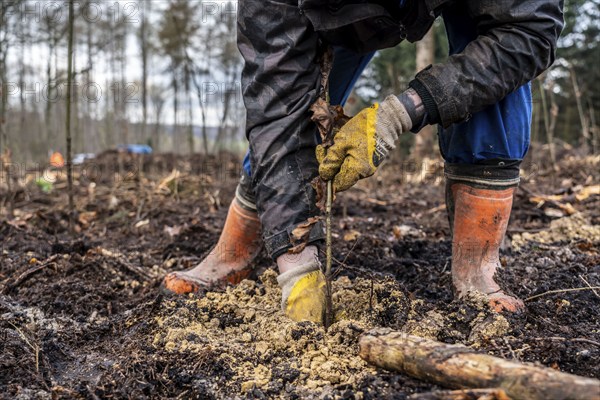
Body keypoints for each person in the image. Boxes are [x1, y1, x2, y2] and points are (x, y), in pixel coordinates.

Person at [162, 0, 564, 323]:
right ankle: (233, 251)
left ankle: (478, 267)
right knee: (296, 113)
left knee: (491, 49)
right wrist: (297, 262)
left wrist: (402, 112)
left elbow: (528, 29)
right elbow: (276, 107)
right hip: (332, 14)